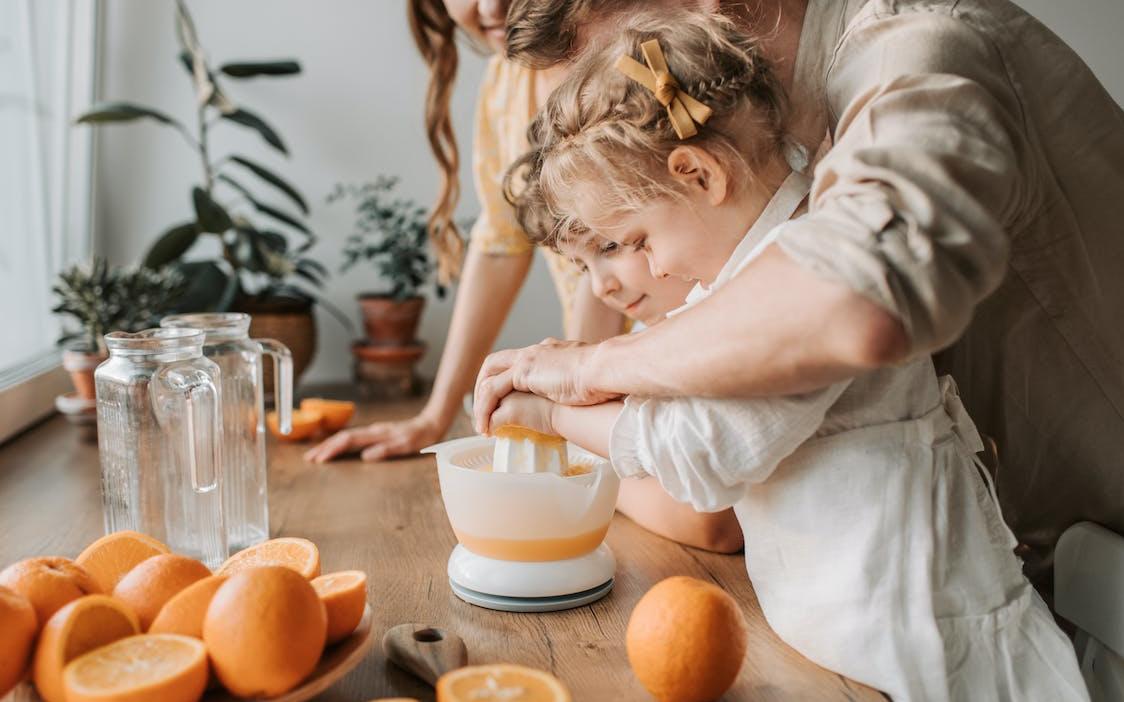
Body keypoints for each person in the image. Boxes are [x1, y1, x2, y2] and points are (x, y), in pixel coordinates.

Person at [489, 13, 1088, 698]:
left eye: (637, 241)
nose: (639, 268)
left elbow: (701, 452)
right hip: (852, 648)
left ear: (696, 174)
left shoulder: (795, 274)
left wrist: (553, 414)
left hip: (934, 650)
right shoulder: (742, 276)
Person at [303, 0, 623, 465]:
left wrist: (579, 392)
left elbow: (612, 240)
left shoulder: (617, 57)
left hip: (647, 374)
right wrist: (435, 416)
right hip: (593, 391)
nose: (491, 6)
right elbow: (499, 245)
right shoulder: (505, 82)